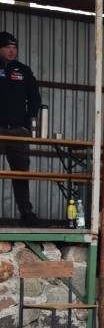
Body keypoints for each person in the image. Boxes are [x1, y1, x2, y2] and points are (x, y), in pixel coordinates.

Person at [0, 31, 42, 227]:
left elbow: (35, 99)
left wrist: (27, 125)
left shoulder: (23, 70)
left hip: (17, 131)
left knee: (21, 173)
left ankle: (26, 214)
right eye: (7, 47)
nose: (12, 51)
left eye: (14, 47)